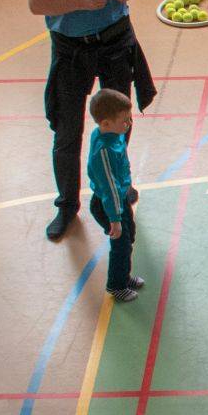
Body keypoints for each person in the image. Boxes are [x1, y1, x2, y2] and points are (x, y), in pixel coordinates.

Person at [28, 0, 157, 242]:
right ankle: (67, 205)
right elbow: (36, 3)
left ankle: (117, 186)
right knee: (68, 130)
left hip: (116, 40)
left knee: (120, 121)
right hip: (71, 48)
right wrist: (79, 3)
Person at [85, 88, 146, 303]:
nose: (129, 123)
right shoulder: (103, 151)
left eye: (130, 118)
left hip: (119, 198)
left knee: (129, 237)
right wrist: (115, 219)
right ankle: (116, 285)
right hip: (107, 204)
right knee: (120, 244)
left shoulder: (115, 135)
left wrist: (126, 187)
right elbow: (109, 188)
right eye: (124, 120)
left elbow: (122, 166)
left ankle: (124, 276)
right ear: (105, 123)